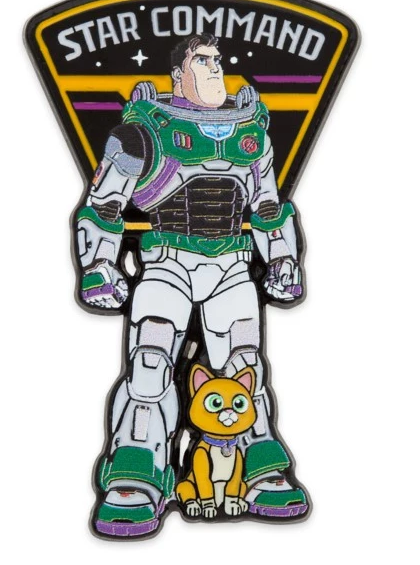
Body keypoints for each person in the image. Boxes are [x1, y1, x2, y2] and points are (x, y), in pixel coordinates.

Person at [76, 33, 308, 537]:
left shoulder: (251, 133)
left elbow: (268, 206)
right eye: (202, 60)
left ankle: (257, 468)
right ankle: (137, 474)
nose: (215, 67)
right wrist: (99, 266)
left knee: (244, 367)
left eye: (217, 59)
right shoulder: (143, 132)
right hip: (166, 263)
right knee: (150, 362)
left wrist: (283, 259)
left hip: (232, 264)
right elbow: (104, 206)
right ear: (178, 74)